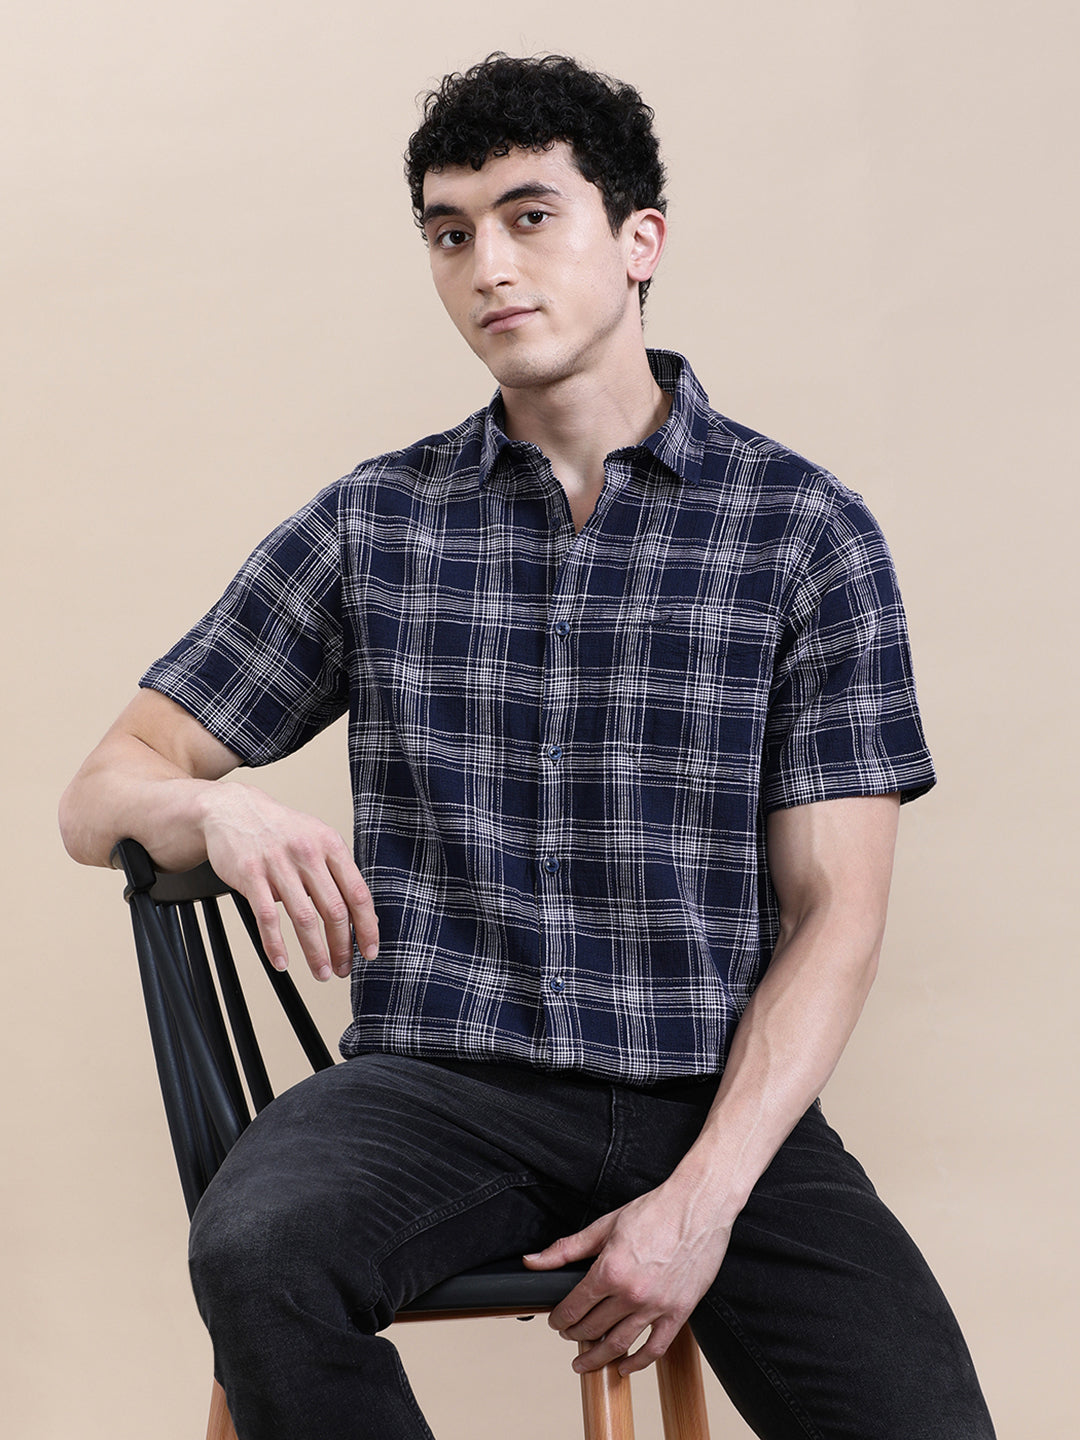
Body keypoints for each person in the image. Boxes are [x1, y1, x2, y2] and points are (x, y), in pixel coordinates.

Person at [60, 53, 996, 1440]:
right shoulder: (377, 523)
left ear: (639, 241)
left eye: (530, 216)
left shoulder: (802, 532)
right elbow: (99, 794)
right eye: (450, 234)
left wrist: (701, 1202)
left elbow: (834, 918)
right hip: (440, 1090)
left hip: (709, 1093)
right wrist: (219, 813)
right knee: (258, 1250)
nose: (487, 264)